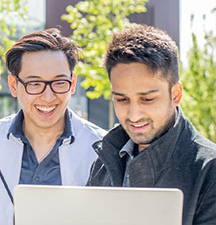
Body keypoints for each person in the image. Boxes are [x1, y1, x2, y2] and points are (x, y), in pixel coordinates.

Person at [0, 28, 105, 224]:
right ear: (13, 85)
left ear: (73, 83)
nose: (48, 96)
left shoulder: (101, 147)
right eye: (34, 84)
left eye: (59, 82)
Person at [87, 25, 216, 225]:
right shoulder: (104, 159)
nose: (134, 115)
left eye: (147, 99)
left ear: (176, 94)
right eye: (122, 99)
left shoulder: (210, 169)